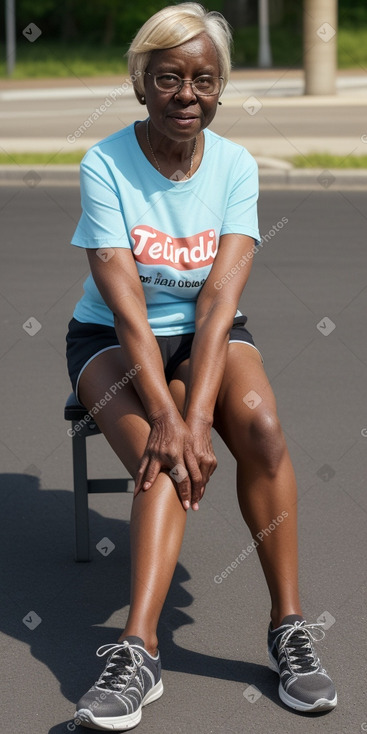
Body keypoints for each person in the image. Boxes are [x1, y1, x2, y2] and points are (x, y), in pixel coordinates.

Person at [66, 3, 337, 729]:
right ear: (141, 83)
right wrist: (168, 419)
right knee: (163, 461)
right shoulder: (103, 165)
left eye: (204, 80)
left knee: (264, 431)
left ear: (220, 87)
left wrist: (195, 414)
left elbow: (219, 302)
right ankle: (138, 651)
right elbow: (125, 311)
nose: (187, 94)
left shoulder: (234, 166)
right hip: (110, 341)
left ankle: (288, 629)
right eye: (169, 78)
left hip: (204, 333)